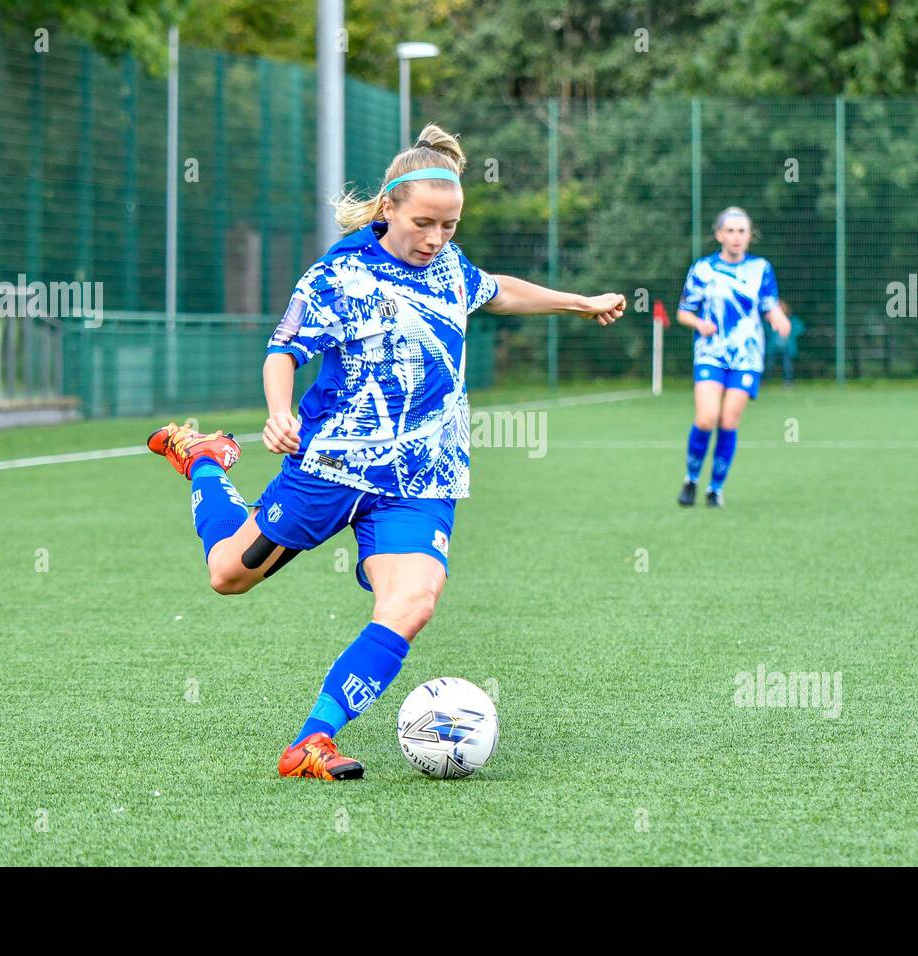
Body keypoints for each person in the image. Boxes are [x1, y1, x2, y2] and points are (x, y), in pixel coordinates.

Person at [146, 124, 626, 780]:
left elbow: (495, 289)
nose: (436, 240)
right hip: (330, 469)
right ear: (387, 210)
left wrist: (577, 301)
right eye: (424, 224)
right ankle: (202, 457)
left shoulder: (450, 266)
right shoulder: (339, 275)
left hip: (422, 477)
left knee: (413, 603)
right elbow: (284, 349)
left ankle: (311, 742)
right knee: (229, 575)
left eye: (450, 227)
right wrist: (280, 412)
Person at [675, 206, 789, 508]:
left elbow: (769, 304)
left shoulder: (761, 269)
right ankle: (691, 480)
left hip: (747, 356)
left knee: (728, 420)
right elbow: (684, 313)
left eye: (742, 231)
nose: (736, 237)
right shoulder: (702, 269)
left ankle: (715, 489)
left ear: (749, 236)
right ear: (719, 235)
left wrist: (778, 316)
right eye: (731, 231)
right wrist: (700, 323)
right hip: (711, 353)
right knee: (706, 417)